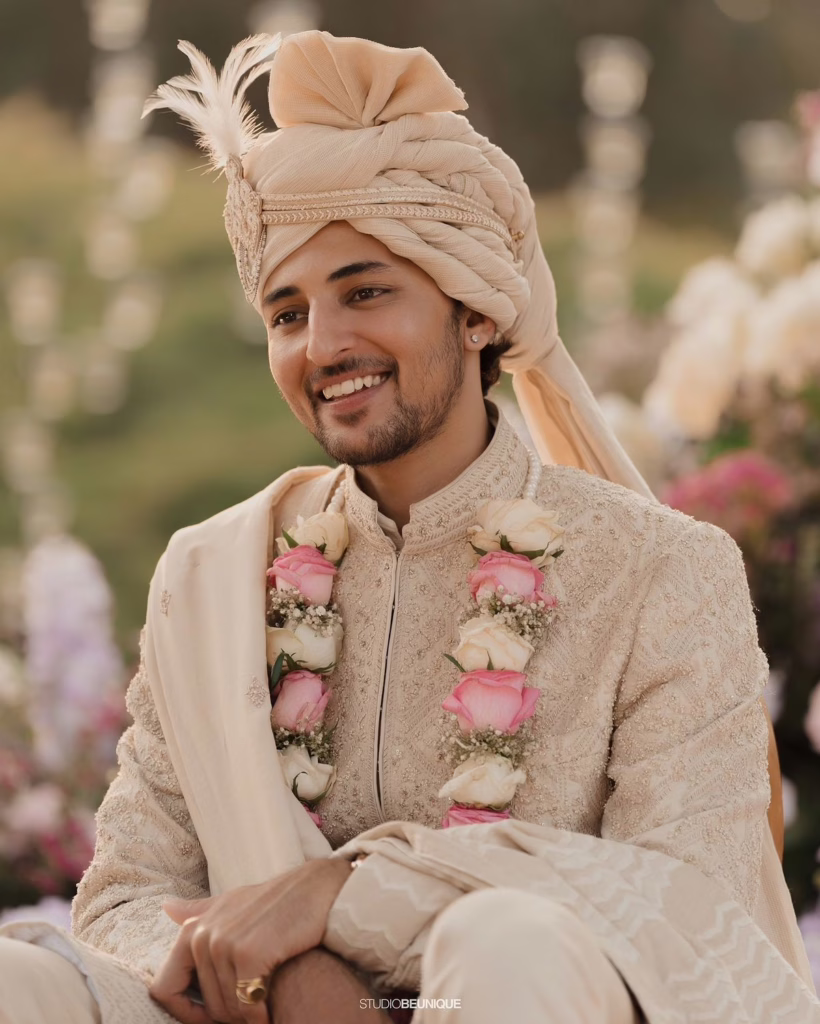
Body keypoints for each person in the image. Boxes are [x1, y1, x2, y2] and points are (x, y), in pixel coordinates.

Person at [0, 29, 818, 1024]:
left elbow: (692, 903)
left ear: (476, 311)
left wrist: (347, 897)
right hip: (258, 1015)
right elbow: (123, 900)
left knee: (504, 936)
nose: (325, 344)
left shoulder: (659, 570)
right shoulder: (215, 575)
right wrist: (288, 974)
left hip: (526, 997)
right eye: (287, 311)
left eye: (367, 292)